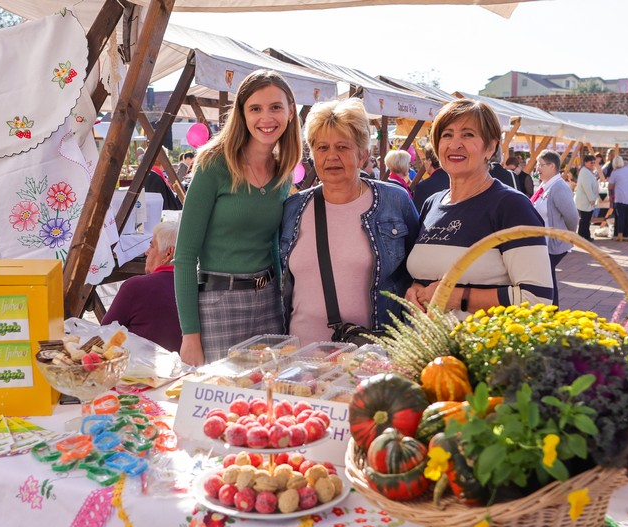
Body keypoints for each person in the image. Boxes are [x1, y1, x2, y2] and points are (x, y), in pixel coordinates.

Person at [173, 69, 302, 366]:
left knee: (270, 390)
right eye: (255, 108)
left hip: (269, 302)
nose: (266, 118)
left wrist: (281, 304)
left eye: (275, 107)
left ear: (290, 112)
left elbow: (272, 244)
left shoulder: (282, 172)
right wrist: (189, 335)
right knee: (222, 392)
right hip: (220, 304)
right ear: (242, 114)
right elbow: (185, 256)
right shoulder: (213, 164)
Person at [280, 98, 418, 344]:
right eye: (322, 148)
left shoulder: (394, 201)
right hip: (301, 354)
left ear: (362, 155)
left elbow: (416, 274)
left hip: (371, 355)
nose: (331, 156)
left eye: (342, 147)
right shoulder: (293, 208)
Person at [405, 99, 553, 313]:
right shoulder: (432, 204)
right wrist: (414, 289)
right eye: (447, 135)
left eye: (468, 134)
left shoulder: (512, 207)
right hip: (426, 335)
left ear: (490, 147)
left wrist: (456, 297)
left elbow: (538, 299)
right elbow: (426, 275)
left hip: (481, 335)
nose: (455, 144)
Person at [101, 221, 183, 352]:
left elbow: (104, 334)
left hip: (138, 364)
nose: (147, 252)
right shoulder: (197, 288)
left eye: (152, 246)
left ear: (168, 253)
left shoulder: (136, 287)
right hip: (183, 363)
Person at [533, 150, 579, 306]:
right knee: (547, 278)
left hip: (552, 244)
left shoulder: (558, 187)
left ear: (552, 166)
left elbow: (572, 217)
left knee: (547, 278)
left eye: (540, 165)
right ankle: (551, 311)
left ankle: (552, 311)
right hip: (543, 243)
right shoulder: (545, 185)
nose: (537, 168)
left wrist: (566, 236)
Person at [607, 156, 628, 242]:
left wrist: (610, 197)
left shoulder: (614, 172)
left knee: (621, 217)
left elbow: (610, 186)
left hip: (620, 197)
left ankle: (620, 235)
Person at [412, 143, 451, 212]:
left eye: (424, 159)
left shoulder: (423, 187)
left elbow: (417, 215)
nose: (424, 162)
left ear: (429, 161)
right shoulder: (456, 182)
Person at [574, 154, 600, 241]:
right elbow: (587, 187)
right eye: (591, 162)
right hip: (585, 200)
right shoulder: (585, 172)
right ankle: (582, 237)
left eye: (594, 162)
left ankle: (585, 236)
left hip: (586, 200)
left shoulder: (587, 171)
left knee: (586, 220)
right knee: (585, 220)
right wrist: (592, 199)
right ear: (585, 163)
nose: (593, 164)